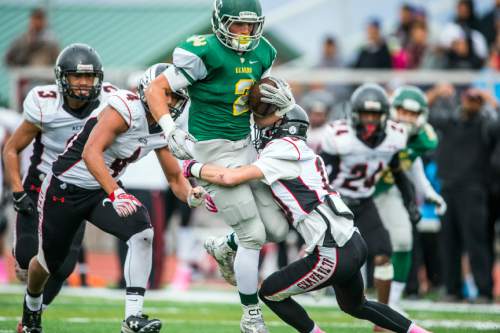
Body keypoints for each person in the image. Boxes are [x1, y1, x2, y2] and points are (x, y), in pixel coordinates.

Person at [184, 105, 432, 333]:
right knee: (356, 305)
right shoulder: (301, 153)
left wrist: (192, 167)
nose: (261, 127)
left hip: (332, 250)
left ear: (281, 127)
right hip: (353, 242)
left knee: (270, 293)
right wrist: (217, 197)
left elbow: (231, 177)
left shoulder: (282, 151)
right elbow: (269, 194)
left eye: (266, 121)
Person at [16, 62, 205, 333]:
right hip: (65, 187)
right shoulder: (125, 107)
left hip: (100, 190)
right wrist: (116, 192)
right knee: (49, 263)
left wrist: (191, 194)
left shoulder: (164, 128)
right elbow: (90, 152)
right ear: (147, 90)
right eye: (167, 93)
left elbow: (175, 178)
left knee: (142, 232)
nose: (172, 101)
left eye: (177, 96)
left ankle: (133, 318)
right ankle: (31, 308)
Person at [145, 1, 293, 331]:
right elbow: (157, 88)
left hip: (247, 147)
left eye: (250, 25)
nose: (244, 32)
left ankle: (223, 247)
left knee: (278, 230)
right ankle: (251, 316)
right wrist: (169, 128)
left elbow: (260, 100)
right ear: (219, 21)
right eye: (237, 25)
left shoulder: (264, 52)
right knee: (252, 234)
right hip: (211, 151)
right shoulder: (203, 51)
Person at [2, 44, 115, 327]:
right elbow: (12, 149)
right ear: (62, 78)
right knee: (29, 259)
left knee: (62, 268)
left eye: (89, 77)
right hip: (39, 184)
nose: (84, 83)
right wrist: (17, 190)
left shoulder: (109, 104)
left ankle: (32, 315)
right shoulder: (45, 104)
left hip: (74, 191)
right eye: (77, 76)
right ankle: (30, 299)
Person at [319, 83, 421, 331]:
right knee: (337, 261)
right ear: (354, 114)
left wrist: (409, 202)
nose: (371, 121)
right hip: (335, 202)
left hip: (364, 201)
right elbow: (320, 175)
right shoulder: (338, 137)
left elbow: (398, 172)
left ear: (385, 116)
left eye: (375, 115)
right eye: (366, 114)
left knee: (384, 253)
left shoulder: (394, 137)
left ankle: (381, 320)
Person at [372, 86, 446, 313]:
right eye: (403, 111)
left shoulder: (423, 137)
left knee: (403, 241)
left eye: (412, 114)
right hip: (355, 191)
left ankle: (392, 302)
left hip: (388, 188)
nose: (407, 118)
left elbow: (411, 159)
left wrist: (427, 190)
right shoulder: (377, 126)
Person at [427, 86, 497, 302]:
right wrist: (436, 92)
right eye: (468, 99)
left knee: (477, 242)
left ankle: (484, 291)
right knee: (448, 243)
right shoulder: (450, 122)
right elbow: (421, 111)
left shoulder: (486, 126)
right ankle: (452, 290)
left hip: (474, 190)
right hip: (448, 189)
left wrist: (491, 101)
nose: (471, 103)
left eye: (475, 100)